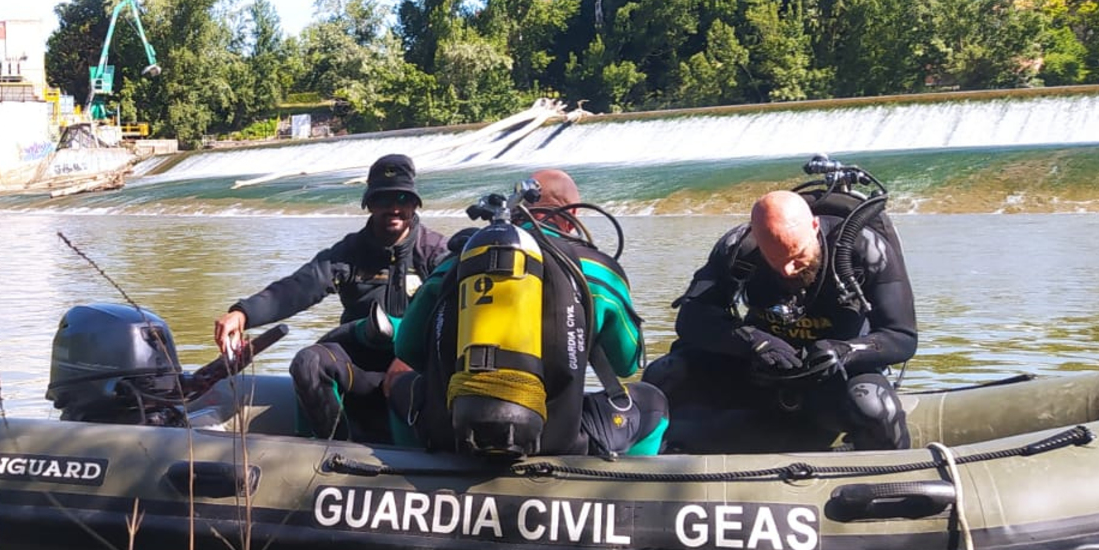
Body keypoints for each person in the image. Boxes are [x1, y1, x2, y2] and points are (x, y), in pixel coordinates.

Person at [384, 169, 667, 457]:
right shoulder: (598, 270)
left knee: (402, 387)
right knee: (653, 402)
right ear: (570, 217)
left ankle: (416, 469)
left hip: (451, 432)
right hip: (558, 440)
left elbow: (407, 348)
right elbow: (627, 364)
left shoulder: (460, 260)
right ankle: (628, 486)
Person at [642, 189, 917, 452]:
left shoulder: (865, 250)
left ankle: (897, 487)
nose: (787, 270)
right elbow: (691, 319)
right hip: (758, 372)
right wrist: (754, 341)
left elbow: (901, 336)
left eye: (797, 257)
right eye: (775, 258)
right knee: (664, 373)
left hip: (832, 379)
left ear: (814, 226)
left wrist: (842, 351)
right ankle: (649, 467)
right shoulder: (739, 247)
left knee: (875, 405)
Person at [214, 154, 449, 442]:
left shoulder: (436, 252)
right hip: (359, 360)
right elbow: (299, 287)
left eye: (403, 198)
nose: (394, 208)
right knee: (307, 362)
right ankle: (334, 452)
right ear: (369, 204)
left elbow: (456, 311)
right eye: (383, 199)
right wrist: (243, 314)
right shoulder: (349, 252)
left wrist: (412, 357)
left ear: (415, 203)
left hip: (417, 364)